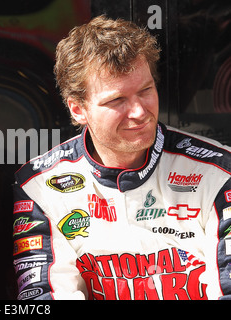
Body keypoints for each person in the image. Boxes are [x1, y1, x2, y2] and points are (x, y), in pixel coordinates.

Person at [12, 15, 231, 300]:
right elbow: (43, 298)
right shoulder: (39, 185)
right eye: (117, 100)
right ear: (78, 109)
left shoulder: (219, 172)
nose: (139, 112)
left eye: (145, 91)